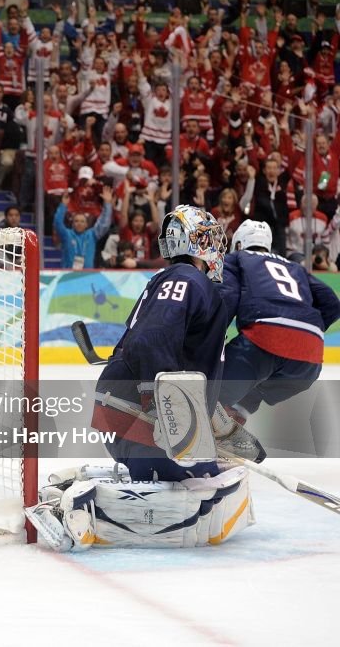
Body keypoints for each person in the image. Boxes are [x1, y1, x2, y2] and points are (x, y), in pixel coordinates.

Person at [30, 206, 253, 551]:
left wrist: (212, 422)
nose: (219, 248)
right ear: (199, 241)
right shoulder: (186, 279)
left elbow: (169, 354)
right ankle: (72, 507)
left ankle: (84, 483)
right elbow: (151, 341)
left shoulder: (176, 280)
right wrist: (161, 404)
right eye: (213, 238)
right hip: (138, 413)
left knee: (213, 468)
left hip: (133, 410)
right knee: (206, 481)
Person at [218, 220, 340, 423]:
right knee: (256, 389)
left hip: (265, 338)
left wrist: (214, 338)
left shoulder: (237, 258)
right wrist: (306, 331)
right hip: (309, 359)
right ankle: (235, 420)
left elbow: (227, 296)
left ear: (239, 244)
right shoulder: (293, 266)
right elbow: (332, 303)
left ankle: (208, 420)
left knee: (215, 388)